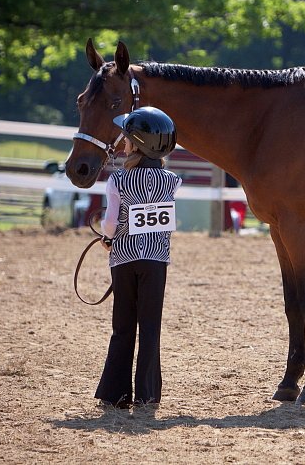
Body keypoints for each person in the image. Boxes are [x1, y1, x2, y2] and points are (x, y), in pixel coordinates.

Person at [96, 106, 182, 409]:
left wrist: (107, 237)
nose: (123, 143)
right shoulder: (172, 181)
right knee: (150, 326)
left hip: (124, 258)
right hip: (156, 261)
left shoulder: (117, 180)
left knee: (122, 327)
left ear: (137, 144)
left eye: (127, 139)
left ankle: (115, 393)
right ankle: (147, 394)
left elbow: (110, 222)